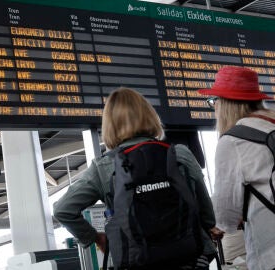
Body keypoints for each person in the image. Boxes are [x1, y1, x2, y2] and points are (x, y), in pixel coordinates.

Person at [54, 87, 218, 269]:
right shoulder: (180, 154)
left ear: (109, 125)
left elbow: (63, 210)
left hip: (136, 261)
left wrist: (94, 237)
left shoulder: (104, 167)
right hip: (189, 259)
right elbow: (207, 215)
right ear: (149, 115)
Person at [198, 65, 275, 270]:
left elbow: (226, 216)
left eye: (215, 101)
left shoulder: (233, 141)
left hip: (269, 254)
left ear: (225, 104)